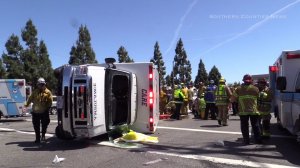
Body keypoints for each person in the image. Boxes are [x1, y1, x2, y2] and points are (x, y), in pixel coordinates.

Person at [231, 74, 262, 145]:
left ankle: (246, 141)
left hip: (243, 111)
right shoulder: (255, 89)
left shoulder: (238, 89)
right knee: (255, 126)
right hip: (254, 111)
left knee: (244, 126)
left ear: (243, 80)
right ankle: (258, 140)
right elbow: (259, 99)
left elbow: (233, 99)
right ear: (251, 81)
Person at [25, 78, 53, 143]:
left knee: (44, 124)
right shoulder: (35, 92)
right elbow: (30, 98)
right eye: (39, 85)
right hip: (35, 112)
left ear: (44, 84)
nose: (40, 86)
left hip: (44, 112)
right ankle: (37, 138)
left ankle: (43, 135)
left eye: (42, 84)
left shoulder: (48, 92)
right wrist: (26, 105)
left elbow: (50, 101)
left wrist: (48, 108)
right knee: (36, 126)